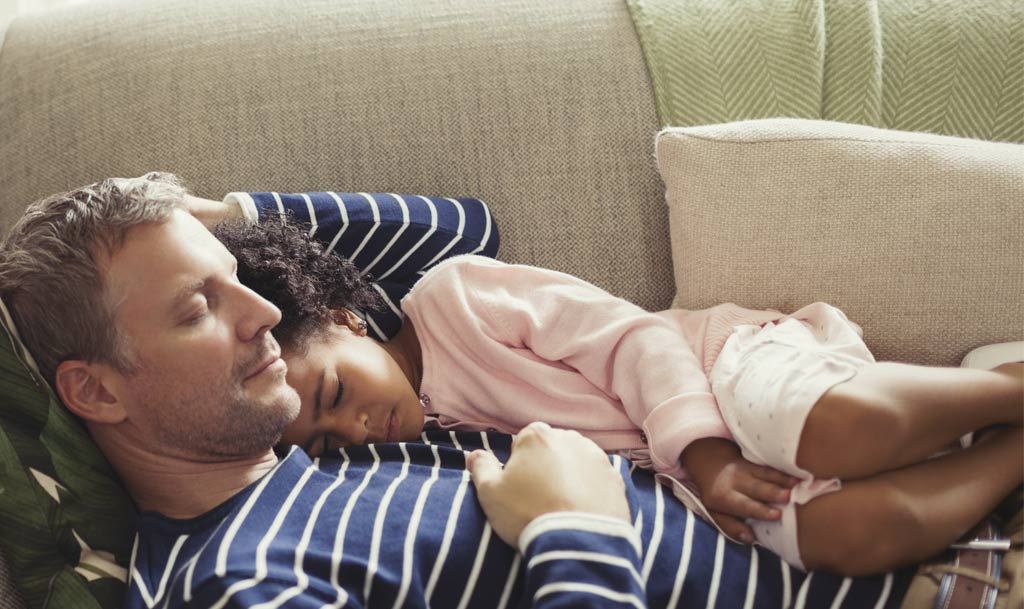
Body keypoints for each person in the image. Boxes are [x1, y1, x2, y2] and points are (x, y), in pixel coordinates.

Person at [0, 173, 916, 609]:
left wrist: (229, 220)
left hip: (913, 549)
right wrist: (578, 532)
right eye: (200, 304)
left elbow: (461, 229)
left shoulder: (341, 436)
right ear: (97, 391)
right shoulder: (234, 586)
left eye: (235, 279)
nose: (259, 314)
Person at [208, 196, 1024, 577]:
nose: (354, 429)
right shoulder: (430, 440)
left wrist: (703, 452)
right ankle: (1009, 451)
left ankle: (1006, 388)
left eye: (333, 396)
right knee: (831, 537)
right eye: (326, 440)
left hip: (726, 370)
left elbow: (627, 339)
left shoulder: (457, 295)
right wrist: (700, 477)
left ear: (349, 321)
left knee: (804, 428)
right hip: (700, 481)